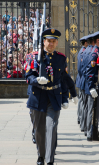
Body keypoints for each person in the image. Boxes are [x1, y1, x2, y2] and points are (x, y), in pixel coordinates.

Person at [26, 28, 70, 165]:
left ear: (57, 43)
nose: (51, 44)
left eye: (53, 41)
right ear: (43, 41)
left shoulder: (61, 58)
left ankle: (50, 160)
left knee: (51, 128)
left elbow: (63, 79)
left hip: (54, 97)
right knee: (39, 130)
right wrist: (36, 80)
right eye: (48, 41)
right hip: (38, 97)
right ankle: (41, 156)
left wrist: (65, 98)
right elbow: (28, 77)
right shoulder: (34, 56)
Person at [85, 30, 99, 142]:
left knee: (95, 110)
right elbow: (90, 71)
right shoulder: (94, 53)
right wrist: (92, 87)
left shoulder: (98, 52)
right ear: (98, 40)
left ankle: (94, 132)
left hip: (98, 85)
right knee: (92, 110)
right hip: (95, 86)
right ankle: (90, 133)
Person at [76, 35, 88, 125]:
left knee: (81, 100)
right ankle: (81, 118)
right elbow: (81, 69)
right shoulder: (83, 52)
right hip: (82, 79)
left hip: (80, 78)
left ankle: (80, 117)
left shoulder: (82, 51)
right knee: (83, 101)